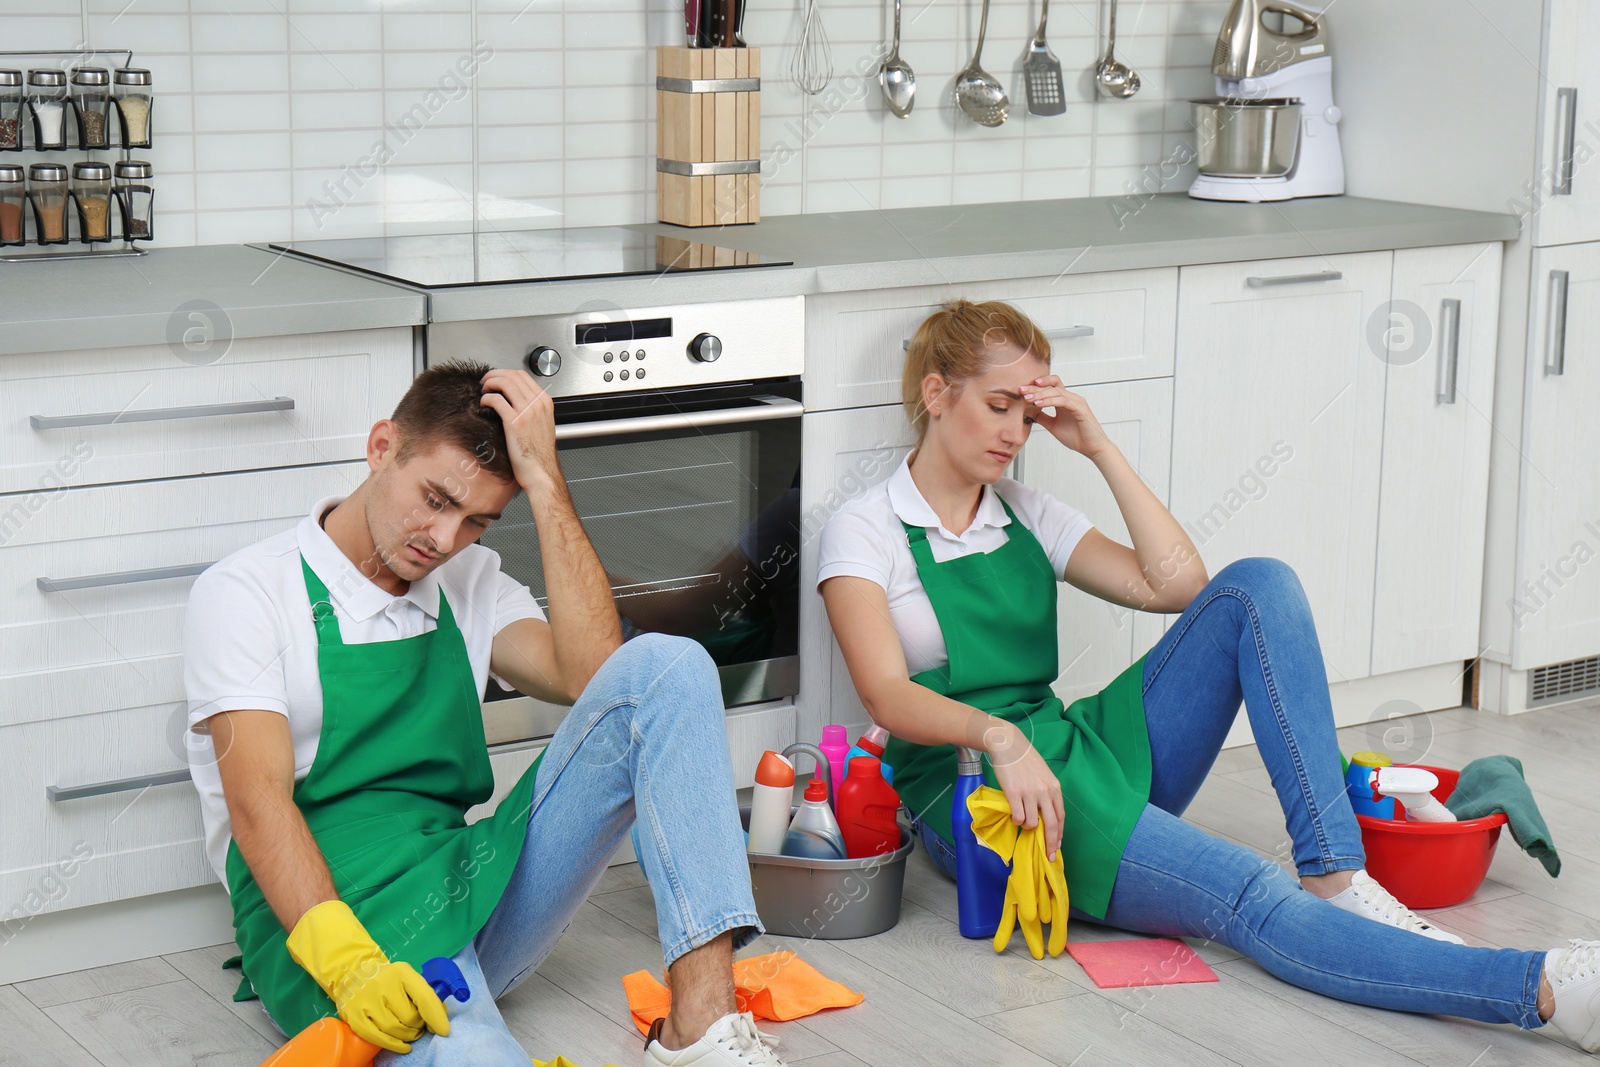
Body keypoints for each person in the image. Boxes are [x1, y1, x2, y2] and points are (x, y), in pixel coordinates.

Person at [816, 299, 1600, 1052]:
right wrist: (997, 738)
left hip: (1067, 745)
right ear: (935, 392)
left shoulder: (1022, 509)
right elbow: (885, 694)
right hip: (979, 793)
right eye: (999, 406)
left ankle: (1336, 872)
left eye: (1028, 414)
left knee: (1255, 584)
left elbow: (1178, 586)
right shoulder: (867, 527)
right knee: (1250, 890)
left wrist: (1099, 448)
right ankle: (1542, 987)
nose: (1017, 432)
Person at [182, 360, 787, 1067]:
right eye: (434, 498)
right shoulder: (247, 591)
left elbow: (602, 680)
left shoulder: (468, 580)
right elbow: (257, 807)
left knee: (669, 665)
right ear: (382, 447)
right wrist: (352, 967)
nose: (442, 538)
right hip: (328, 924)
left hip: (459, 877)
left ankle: (701, 1031)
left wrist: (546, 480)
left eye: (476, 520)